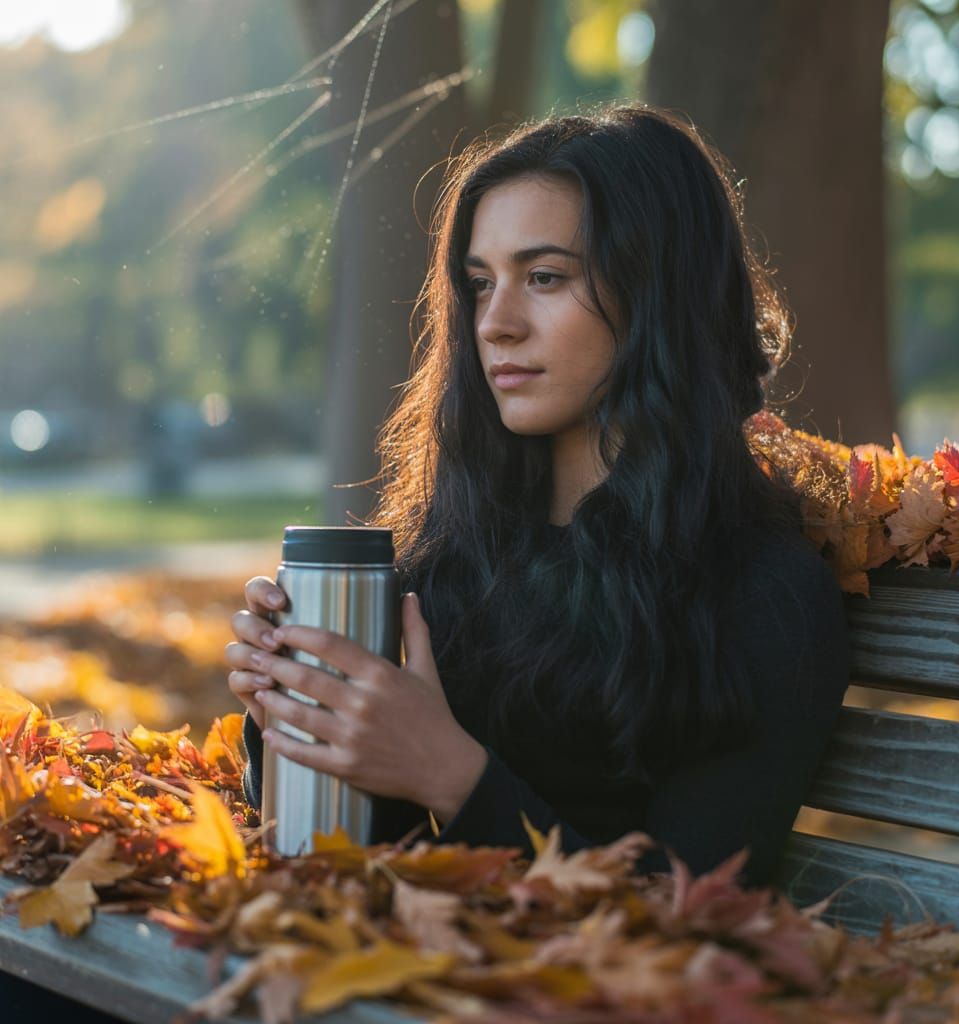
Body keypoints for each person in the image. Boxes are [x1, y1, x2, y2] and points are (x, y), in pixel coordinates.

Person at [227, 103, 851, 886]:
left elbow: (685, 924)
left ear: (660, 293)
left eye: (545, 277)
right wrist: (295, 715)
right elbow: (361, 857)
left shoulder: (763, 594)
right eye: (480, 284)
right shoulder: (455, 553)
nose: (495, 323)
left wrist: (449, 773)